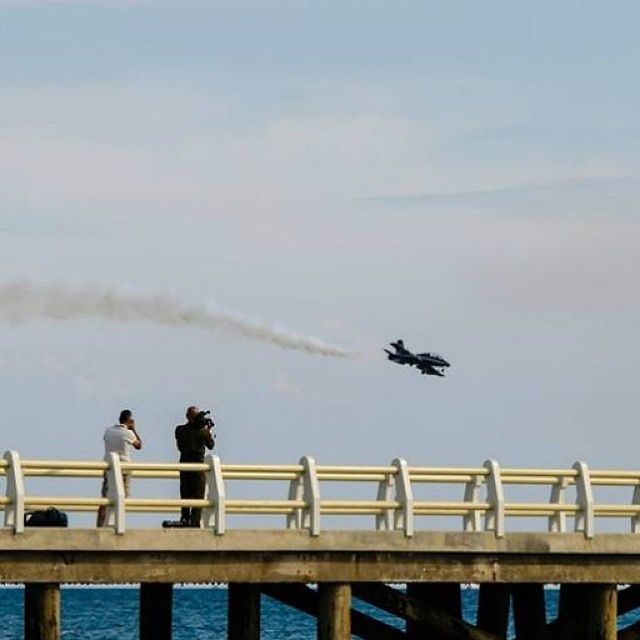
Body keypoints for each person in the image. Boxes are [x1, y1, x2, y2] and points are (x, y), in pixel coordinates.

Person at [97, 409, 142, 527]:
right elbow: (139, 445)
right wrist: (133, 429)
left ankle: (100, 525)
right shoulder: (128, 433)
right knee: (122, 498)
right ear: (130, 420)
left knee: (105, 498)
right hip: (124, 469)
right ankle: (117, 525)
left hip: (109, 467)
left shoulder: (108, 431)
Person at [175, 405, 215, 527]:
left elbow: (180, 446)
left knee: (185, 496)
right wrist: (208, 432)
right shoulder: (202, 432)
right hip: (198, 470)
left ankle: (184, 520)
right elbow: (211, 445)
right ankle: (195, 523)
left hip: (184, 468)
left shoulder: (180, 430)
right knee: (198, 498)